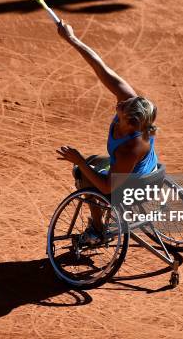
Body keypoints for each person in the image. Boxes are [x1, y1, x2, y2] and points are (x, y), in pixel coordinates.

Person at [55, 21, 160, 244]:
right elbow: (101, 67)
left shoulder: (129, 149)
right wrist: (72, 39)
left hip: (130, 186)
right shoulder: (133, 109)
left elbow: (106, 187)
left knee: (83, 175)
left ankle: (97, 229)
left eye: (123, 108)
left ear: (131, 123)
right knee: (94, 161)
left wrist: (79, 160)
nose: (119, 104)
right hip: (147, 172)